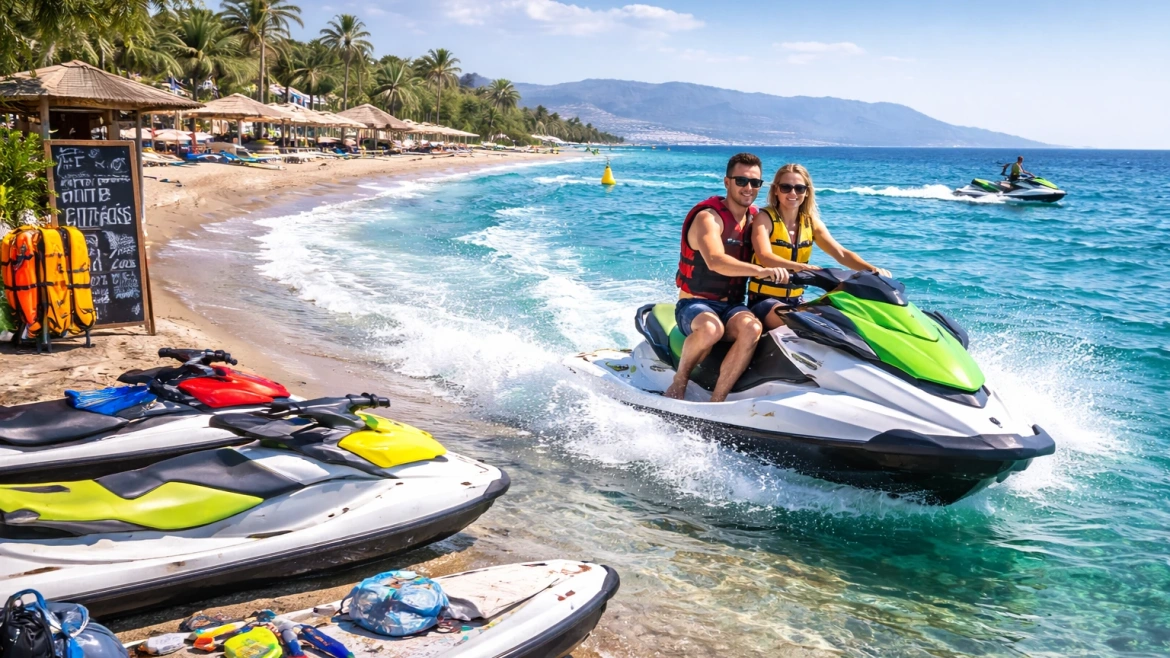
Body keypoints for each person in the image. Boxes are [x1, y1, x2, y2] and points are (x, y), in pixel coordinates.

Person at [665, 153, 789, 402]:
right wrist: (760, 271)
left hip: (732, 305)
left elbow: (774, 251)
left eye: (755, 183)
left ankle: (718, 401)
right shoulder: (708, 218)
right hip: (694, 304)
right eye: (741, 181)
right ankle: (678, 383)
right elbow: (716, 260)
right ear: (727, 182)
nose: (748, 188)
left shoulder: (756, 219)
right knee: (712, 329)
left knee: (753, 328)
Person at [747, 164, 890, 330]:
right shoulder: (764, 218)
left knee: (841, 320)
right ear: (776, 190)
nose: (793, 193)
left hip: (796, 300)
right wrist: (802, 268)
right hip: (764, 301)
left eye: (799, 188)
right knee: (802, 323)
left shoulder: (810, 222)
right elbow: (765, 256)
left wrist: (873, 271)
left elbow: (840, 253)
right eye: (786, 187)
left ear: (806, 192)